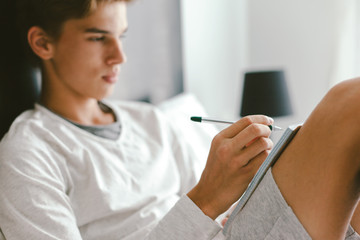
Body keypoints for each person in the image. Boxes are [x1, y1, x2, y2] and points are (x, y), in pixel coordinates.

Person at [0, 0, 274, 239]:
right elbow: (206, 203)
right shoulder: (28, 153)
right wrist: (207, 199)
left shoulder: (152, 120)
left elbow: (218, 217)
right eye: (98, 38)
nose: (119, 56)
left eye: (121, 37)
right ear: (43, 43)